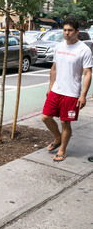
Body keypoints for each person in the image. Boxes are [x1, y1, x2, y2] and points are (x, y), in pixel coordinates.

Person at [41, 16, 92, 162]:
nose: (67, 33)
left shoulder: (84, 50)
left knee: (65, 122)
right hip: (56, 90)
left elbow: (88, 73)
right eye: (64, 30)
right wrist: (50, 88)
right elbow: (54, 68)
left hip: (71, 93)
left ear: (77, 31)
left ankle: (62, 149)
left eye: (70, 30)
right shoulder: (59, 46)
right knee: (45, 117)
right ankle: (57, 137)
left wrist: (83, 95)